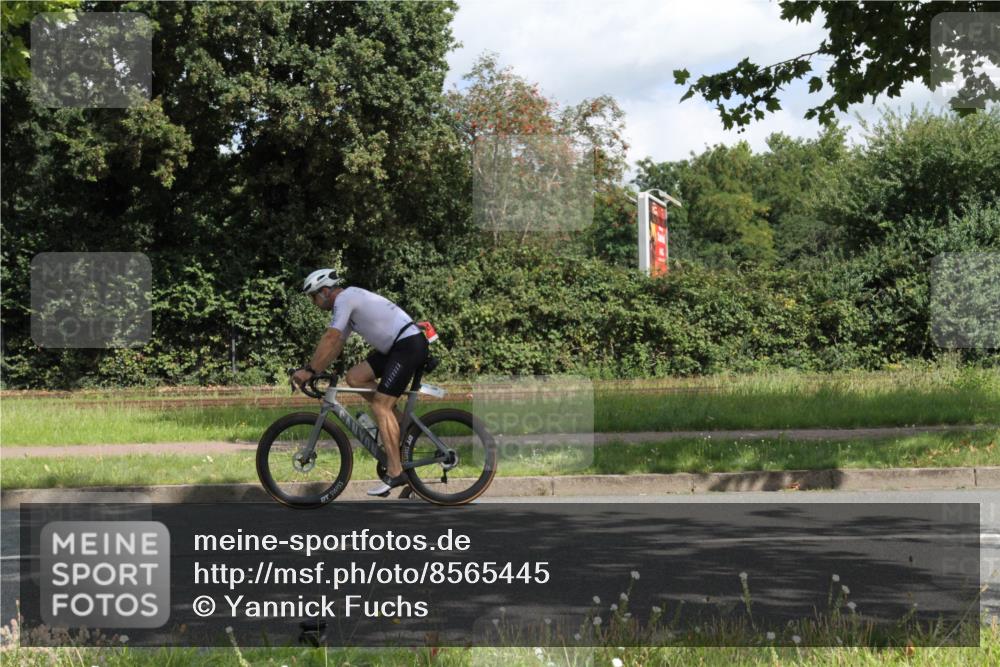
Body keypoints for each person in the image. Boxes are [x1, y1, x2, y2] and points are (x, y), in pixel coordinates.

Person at [291, 268, 428, 496]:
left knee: (380, 406)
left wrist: (309, 370)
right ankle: (400, 422)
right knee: (355, 377)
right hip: (397, 347)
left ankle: (395, 472)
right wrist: (314, 370)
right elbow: (335, 345)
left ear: (324, 292)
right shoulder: (347, 302)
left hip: (407, 345)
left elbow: (330, 337)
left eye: (313, 297)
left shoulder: (345, 299)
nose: (314, 303)